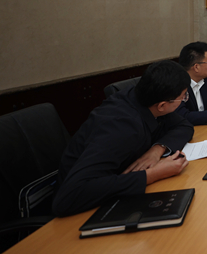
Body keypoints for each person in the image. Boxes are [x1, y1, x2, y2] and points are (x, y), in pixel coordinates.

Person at [52, 60, 194, 217]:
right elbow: (67, 198)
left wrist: (156, 150)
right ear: (162, 106)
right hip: (83, 210)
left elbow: (184, 126)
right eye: (183, 97)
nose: (184, 99)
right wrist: (153, 174)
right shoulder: (121, 128)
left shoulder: (144, 98)